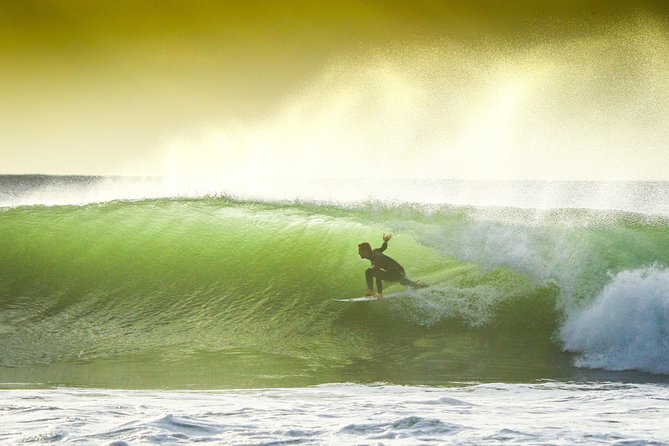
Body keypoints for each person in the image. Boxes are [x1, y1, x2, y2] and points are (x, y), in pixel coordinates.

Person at [357, 234, 422, 298]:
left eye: (360, 251)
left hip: (398, 274)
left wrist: (380, 293)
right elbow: (383, 248)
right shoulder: (374, 251)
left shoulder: (376, 259)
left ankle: (370, 291)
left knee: (369, 271)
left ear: (365, 251)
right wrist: (385, 241)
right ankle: (414, 284)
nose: (359, 253)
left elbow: (378, 276)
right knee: (371, 272)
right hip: (399, 271)